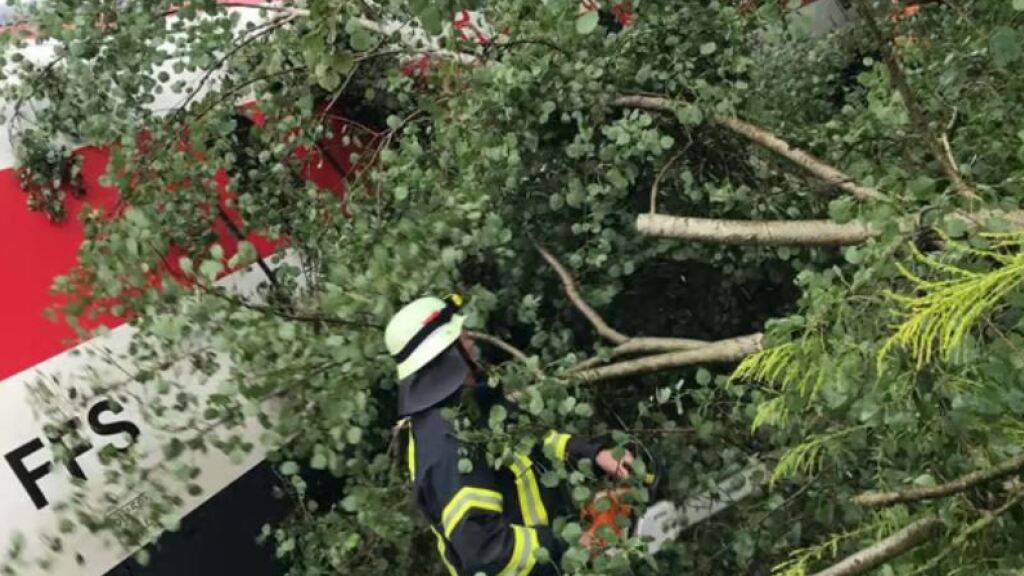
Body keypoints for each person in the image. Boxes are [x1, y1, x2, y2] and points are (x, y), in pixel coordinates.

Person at [385, 294, 634, 575]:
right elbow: (485, 550)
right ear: (445, 354)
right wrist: (579, 546)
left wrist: (593, 454)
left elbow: (532, 440)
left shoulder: (473, 406)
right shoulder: (448, 444)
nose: (472, 342)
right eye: (463, 336)